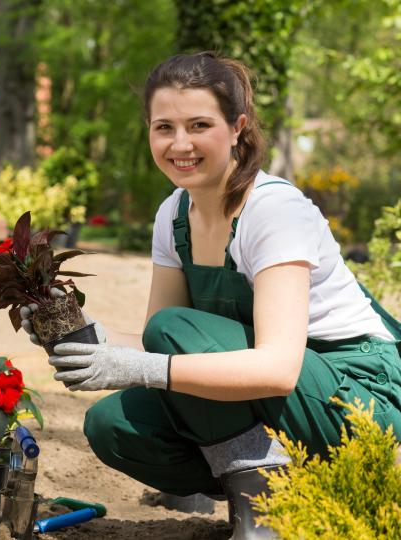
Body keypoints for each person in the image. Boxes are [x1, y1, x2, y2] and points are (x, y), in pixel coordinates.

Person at [22, 52, 401, 539]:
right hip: (283, 401)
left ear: (237, 127)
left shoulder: (273, 212)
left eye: (199, 125)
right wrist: (86, 333)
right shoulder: (173, 214)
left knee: (173, 330)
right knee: (112, 424)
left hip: (354, 397)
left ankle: (262, 516)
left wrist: (145, 369)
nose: (181, 144)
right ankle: (283, 485)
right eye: (164, 128)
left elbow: (278, 368)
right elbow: (156, 343)